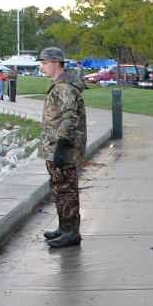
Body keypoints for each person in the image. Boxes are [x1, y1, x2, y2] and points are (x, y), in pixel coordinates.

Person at [39, 47, 87, 248]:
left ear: (55, 63)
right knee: (59, 189)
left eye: (44, 63)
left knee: (66, 190)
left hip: (62, 149)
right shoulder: (59, 86)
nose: (42, 67)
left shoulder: (64, 88)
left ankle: (70, 232)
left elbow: (69, 117)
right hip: (55, 147)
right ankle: (64, 227)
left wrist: (61, 146)